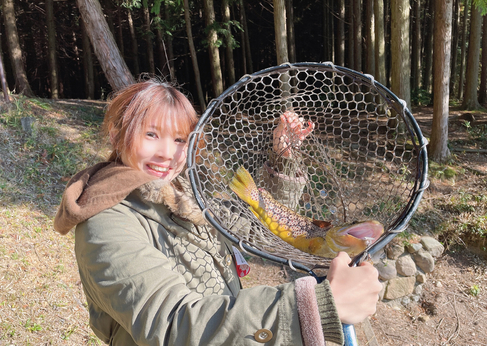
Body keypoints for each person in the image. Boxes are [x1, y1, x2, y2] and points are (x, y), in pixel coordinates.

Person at [54, 79, 382, 346]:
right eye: (151, 134)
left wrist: (282, 157)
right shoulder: (106, 223)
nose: (167, 153)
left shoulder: (183, 194)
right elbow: (173, 325)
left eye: (181, 139)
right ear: (117, 135)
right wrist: (313, 308)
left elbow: (259, 226)